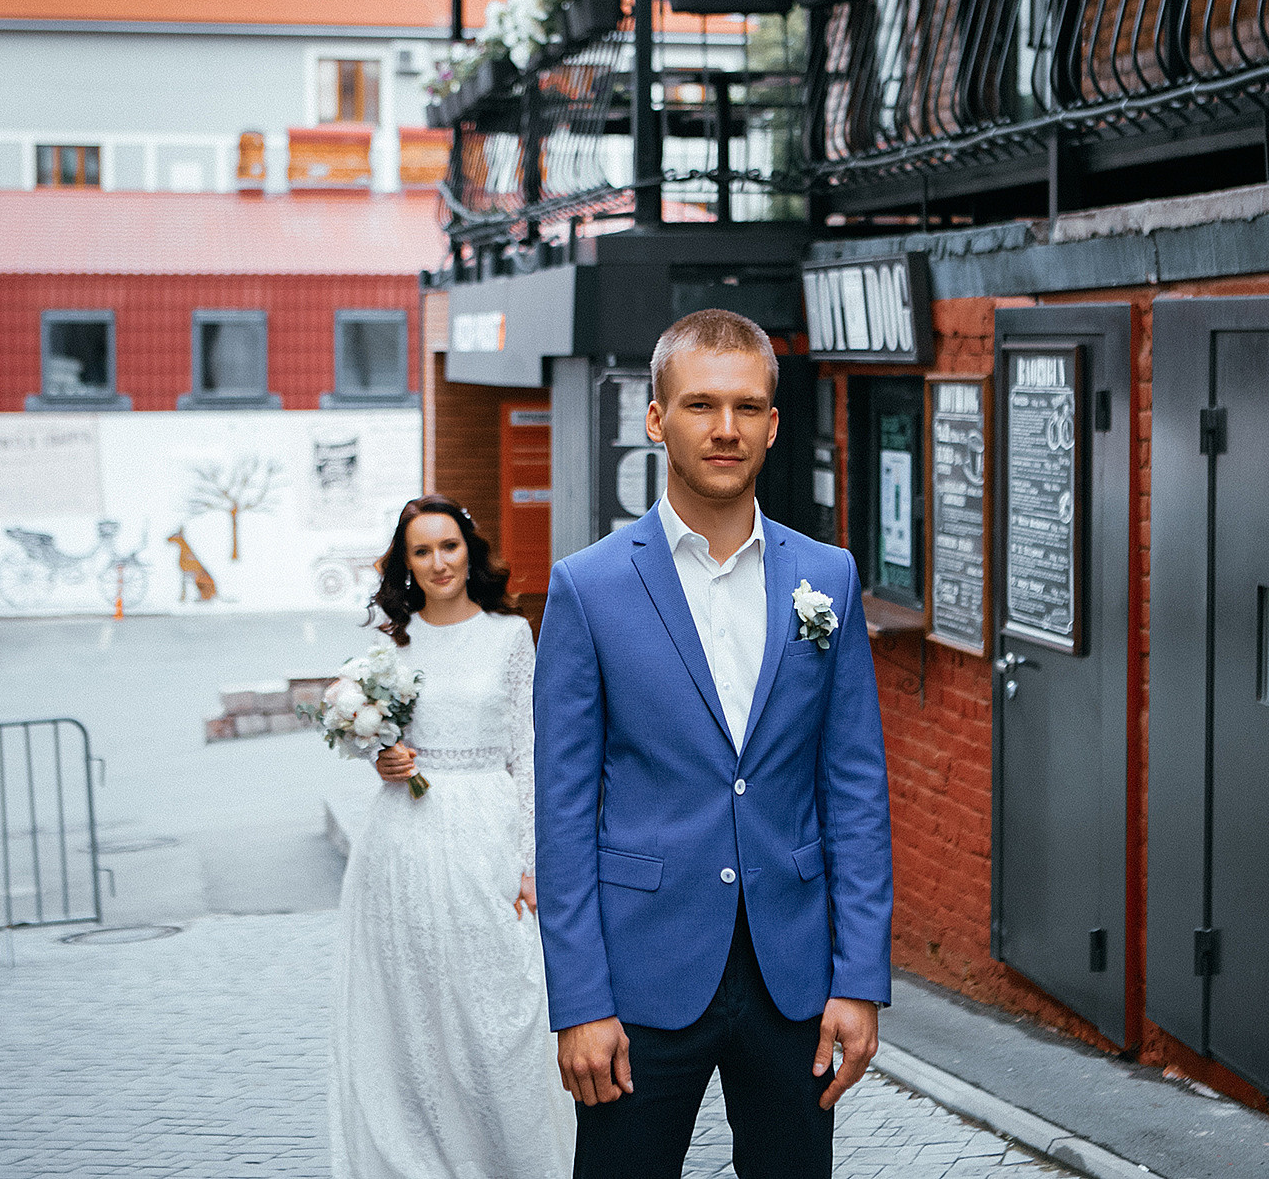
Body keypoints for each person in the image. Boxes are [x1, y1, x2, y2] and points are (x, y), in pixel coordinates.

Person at [534, 310, 894, 1178]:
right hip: (641, 976)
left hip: (794, 975)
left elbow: (854, 790)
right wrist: (579, 1002)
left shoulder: (828, 577)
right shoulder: (588, 589)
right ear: (655, 418)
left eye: (747, 407)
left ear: (774, 422)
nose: (725, 429)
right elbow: (562, 812)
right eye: (699, 405)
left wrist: (859, 980)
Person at [328, 494, 574, 1179]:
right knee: (415, 1013)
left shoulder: (509, 634)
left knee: (500, 1012)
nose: (438, 562)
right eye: (422, 551)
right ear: (406, 565)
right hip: (403, 841)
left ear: (470, 549)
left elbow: (527, 752)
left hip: (486, 835)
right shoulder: (389, 646)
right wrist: (383, 757)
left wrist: (531, 863)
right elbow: (379, 736)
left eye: (449, 546)